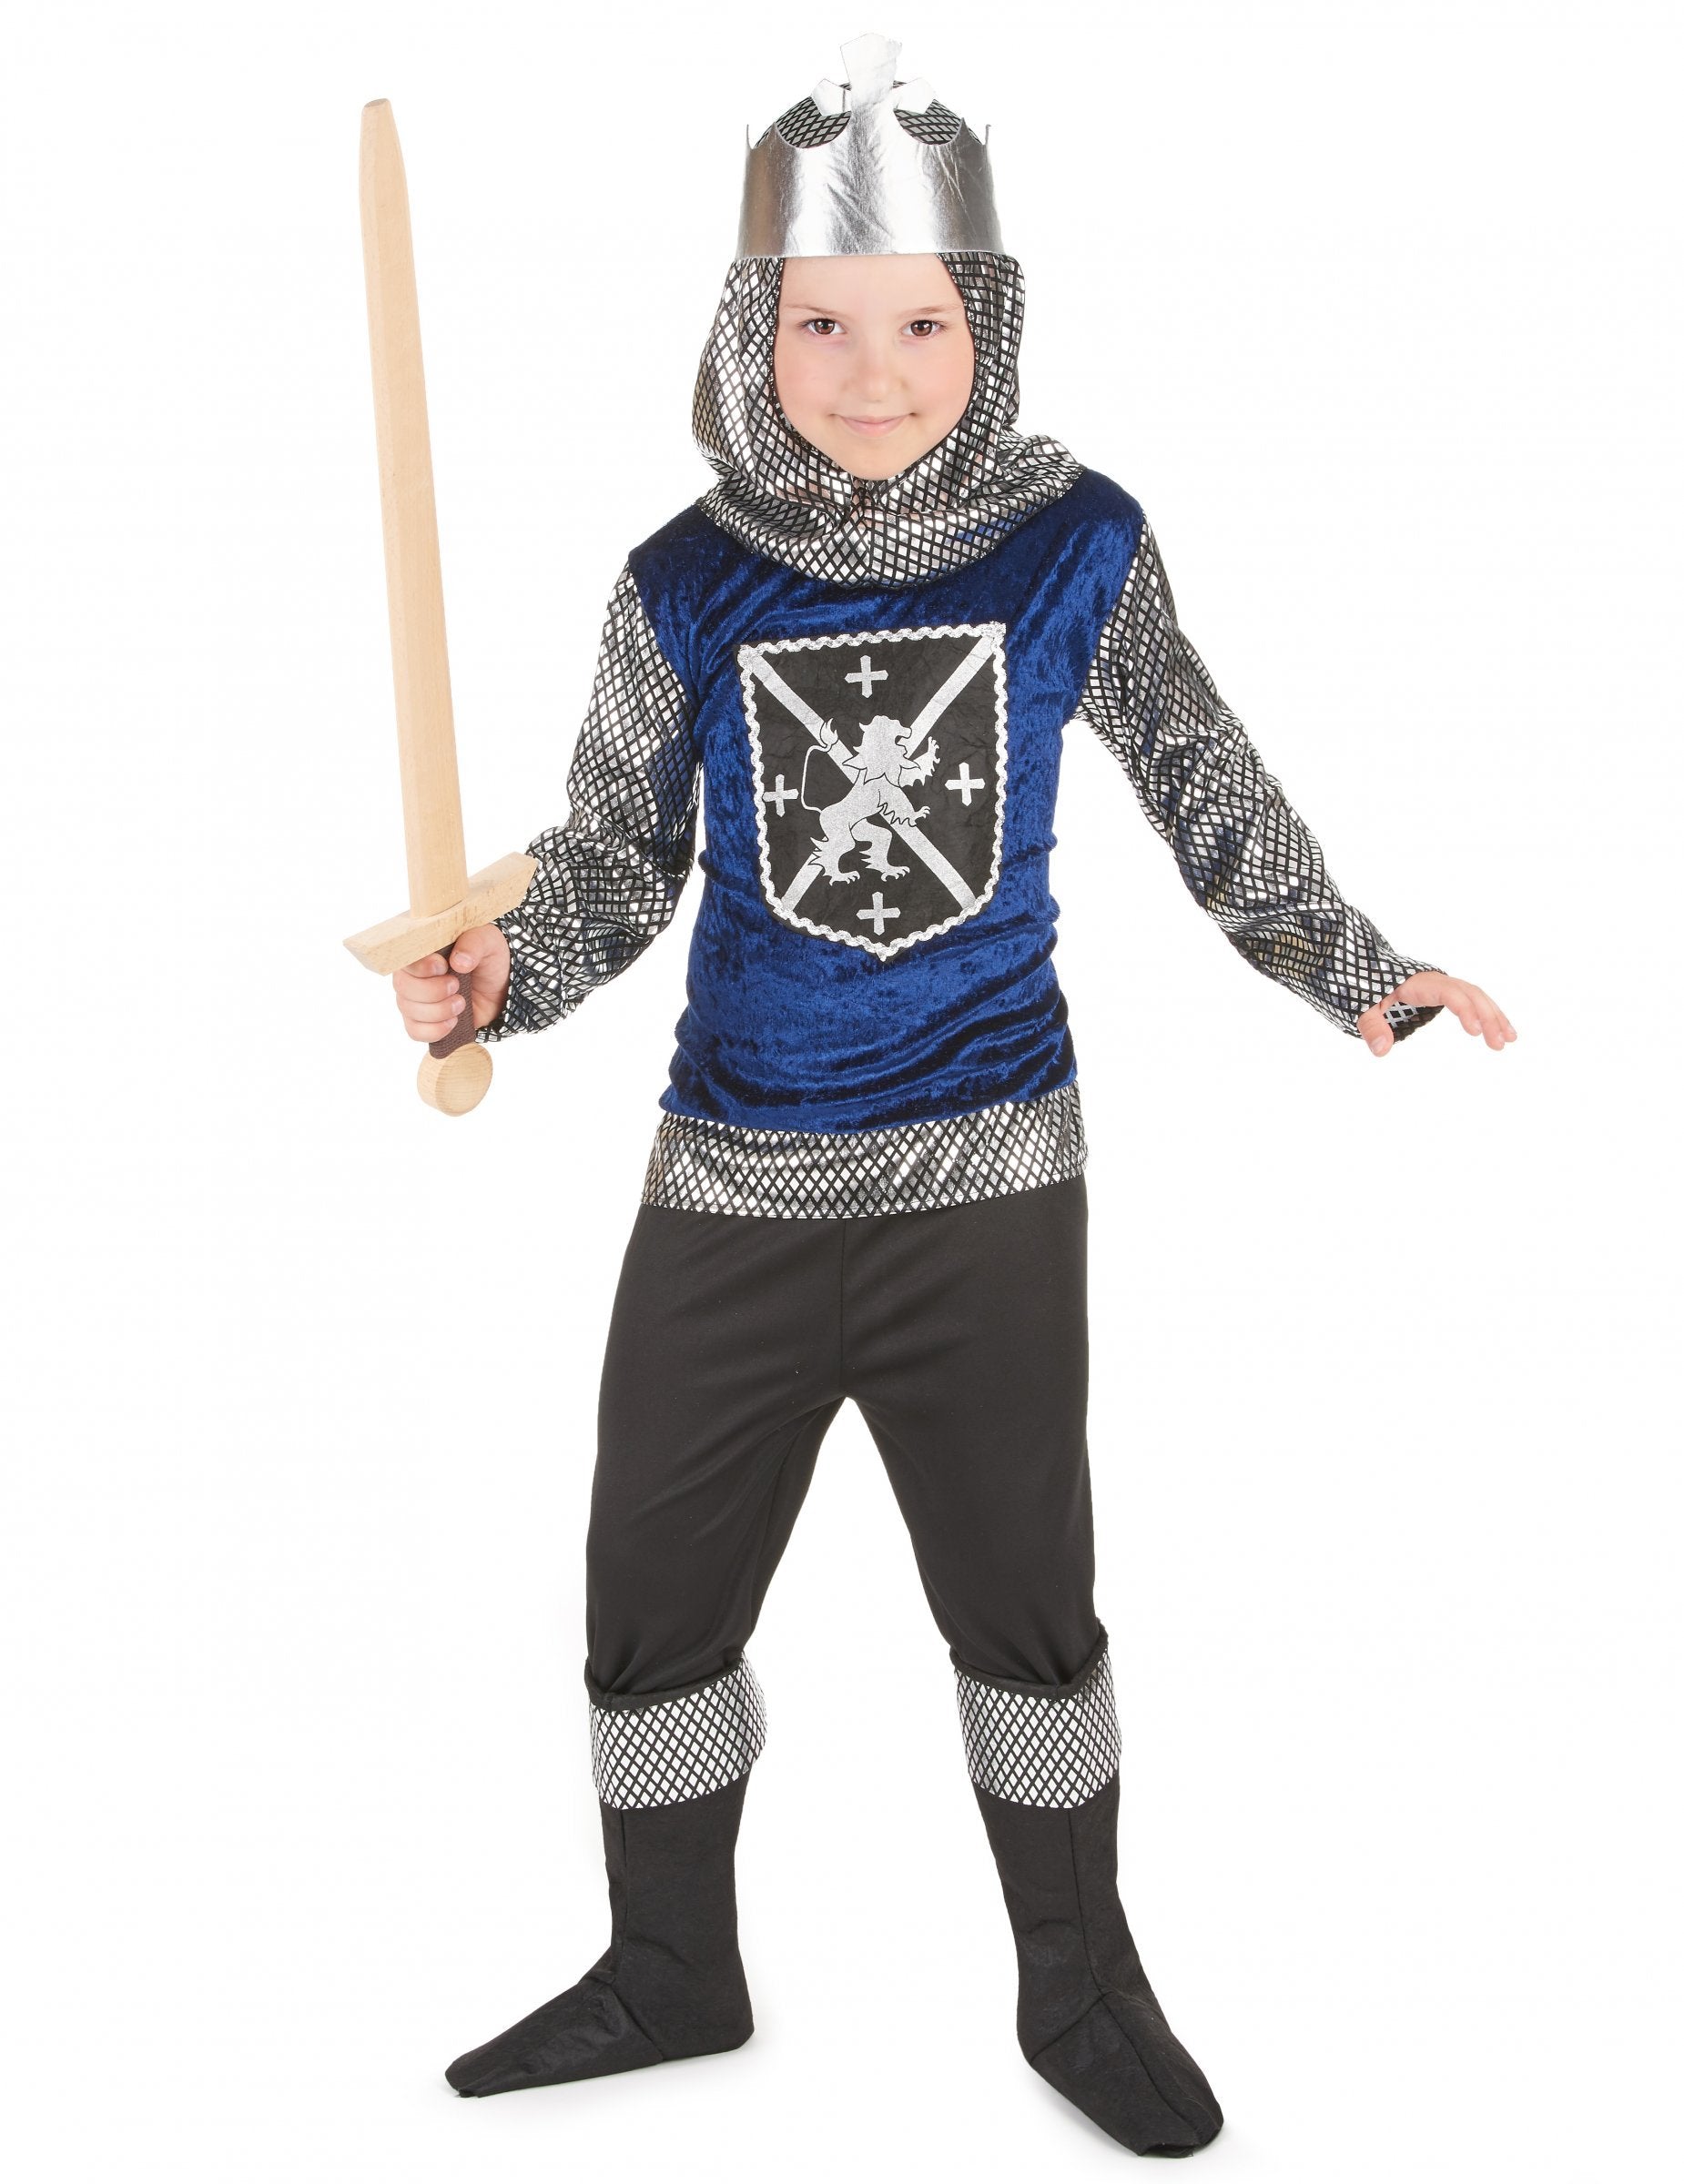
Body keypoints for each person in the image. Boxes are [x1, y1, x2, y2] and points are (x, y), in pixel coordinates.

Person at [390, 31, 1516, 2158]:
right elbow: (615, 861)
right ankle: (670, 1966)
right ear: (754, 334)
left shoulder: (1074, 544)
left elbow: (1199, 771)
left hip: (990, 1182)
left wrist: (1353, 968)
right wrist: (500, 979)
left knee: (1023, 1609)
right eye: (820, 325)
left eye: (917, 325)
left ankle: (1077, 1985)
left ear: (984, 327)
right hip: (731, 1179)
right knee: (647, 1601)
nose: (871, 371)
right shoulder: (681, 582)